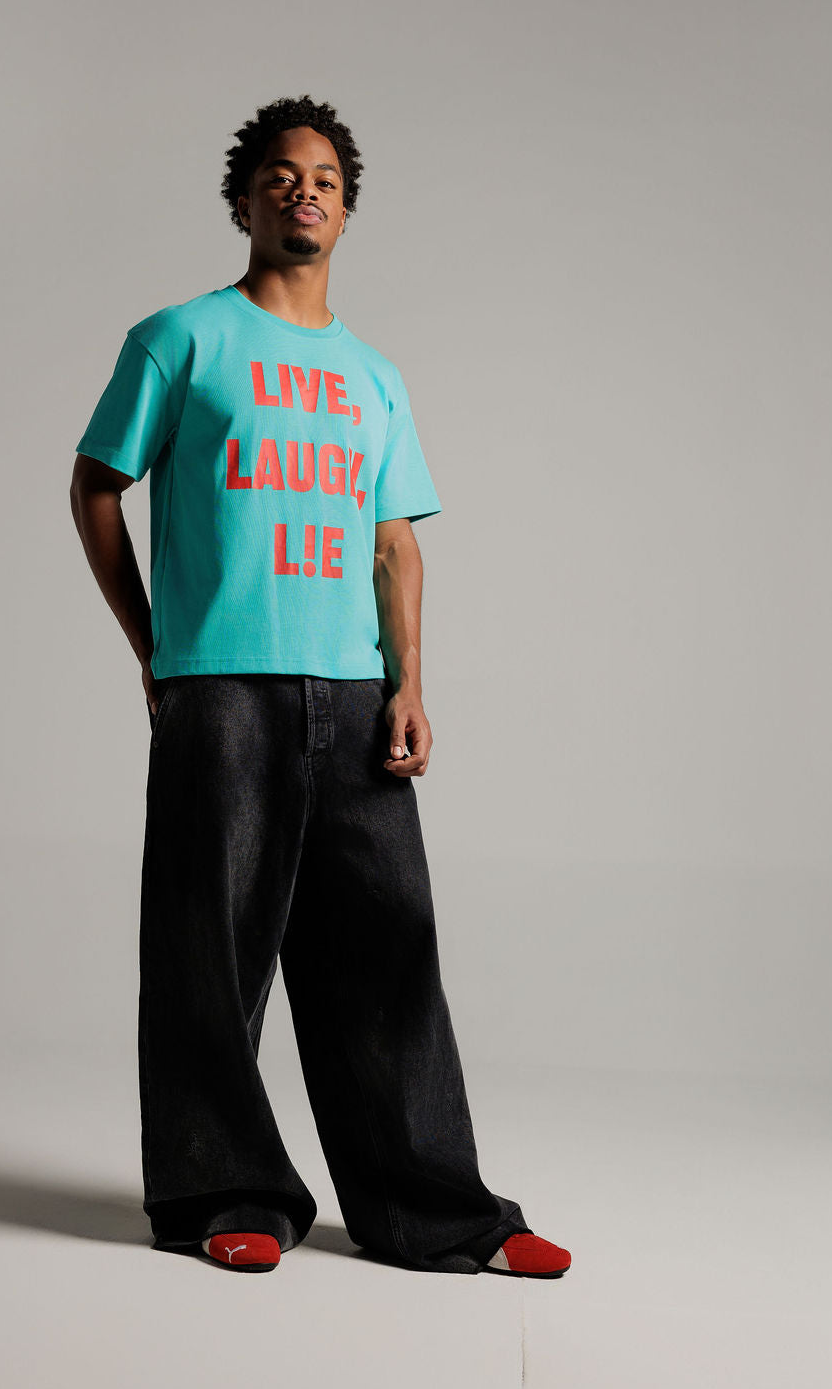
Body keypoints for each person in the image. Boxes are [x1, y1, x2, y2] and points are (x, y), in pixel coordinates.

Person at [69, 94, 570, 1279]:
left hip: (353, 696)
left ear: (347, 213)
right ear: (243, 202)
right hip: (222, 691)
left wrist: (410, 684)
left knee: (387, 954)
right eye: (282, 177)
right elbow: (95, 486)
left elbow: (395, 544)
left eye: (327, 181)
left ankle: (435, 1213)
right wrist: (152, 647)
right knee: (209, 949)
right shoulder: (180, 340)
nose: (305, 192)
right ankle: (221, 1194)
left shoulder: (373, 376)